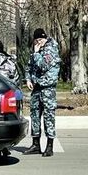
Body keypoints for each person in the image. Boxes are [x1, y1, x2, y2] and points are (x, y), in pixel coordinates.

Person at [24, 28, 61, 157]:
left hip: (47, 88)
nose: (39, 42)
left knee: (48, 117)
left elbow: (43, 65)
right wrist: (28, 79)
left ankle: (49, 146)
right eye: (37, 40)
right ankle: (35, 144)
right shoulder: (36, 50)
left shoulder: (51, 49)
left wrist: (36, 53)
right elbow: (29, 66)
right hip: (36, 87)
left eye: (41, 40)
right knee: (34, 115)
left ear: (45, 38)